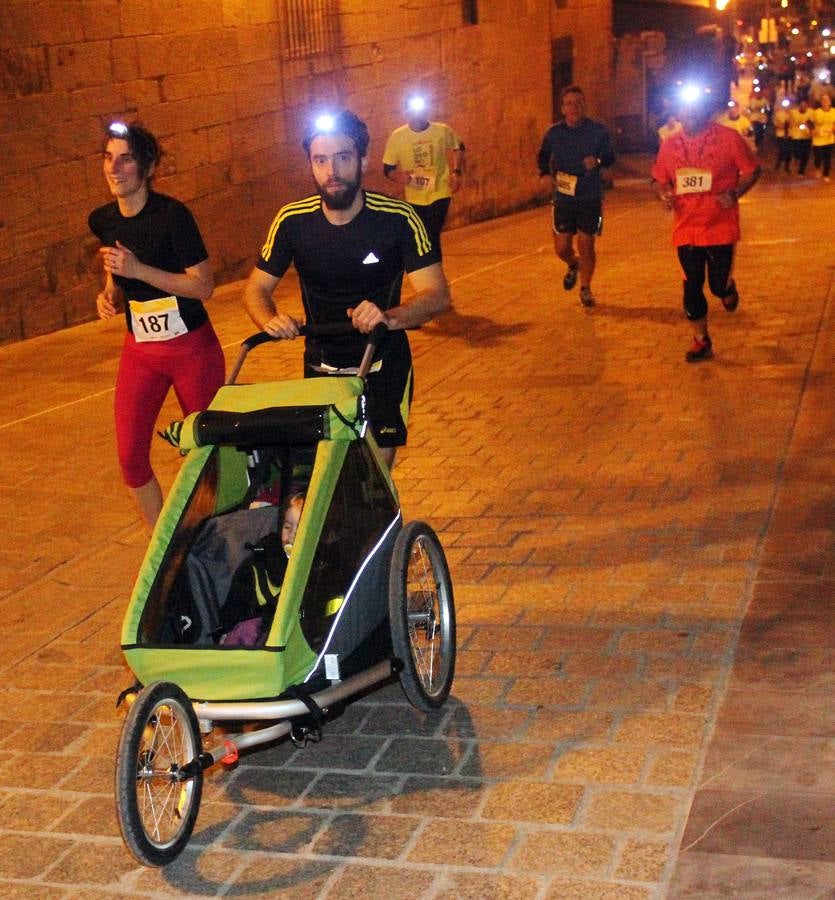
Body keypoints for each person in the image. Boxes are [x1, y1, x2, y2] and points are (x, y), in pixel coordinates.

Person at [242, 109, 451, 470]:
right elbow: (256, 289)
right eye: (320, 160)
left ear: (363, 161)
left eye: (342, 158)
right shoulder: (292, 220)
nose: (331, 171)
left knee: (373, 471)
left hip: (382, 363)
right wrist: (269, 320)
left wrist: (387, 315)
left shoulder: (398, 219)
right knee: (325, 472)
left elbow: (437, 295)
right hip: (322, 363)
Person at [89, 121, 225, 530]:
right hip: (141, 351)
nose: (115, 168)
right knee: (130, 455)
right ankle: (163, 544)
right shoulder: (102, 219)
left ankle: (219, 533)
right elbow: (117, 262)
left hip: (191, 350)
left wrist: (139, 270)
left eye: (126, 158)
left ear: (147, 168)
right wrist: (111, 290)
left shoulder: (173, 217)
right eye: (108, 158)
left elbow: (203, 286)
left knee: (208, 452)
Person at [651, 83, 761, 362]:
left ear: (705, 111)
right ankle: (701, 340)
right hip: (686, 227)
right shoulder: (670, 144)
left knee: (716, 286)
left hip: (720, 226)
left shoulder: (728, 138)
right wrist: (663, 194)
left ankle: (727, 288)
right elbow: (658, 179)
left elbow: (752, 170)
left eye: (694, 109)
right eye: (684, 110)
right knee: (691, 284)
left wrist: (735, 193)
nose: (689, 115)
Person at [537, 85, 616, 308]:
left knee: (586, 243)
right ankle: (573, 264)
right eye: (569, 103)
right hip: (563, 196)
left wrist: (598, 162)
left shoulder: (598, 131)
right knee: (562, 248)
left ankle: (585, 288)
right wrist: (544, 174)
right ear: (562, 108)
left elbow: (610, 157)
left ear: (585, 105)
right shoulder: (554, 133)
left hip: (590, 195)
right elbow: (543, 156)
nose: (574, 107)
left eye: (579, 103)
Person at [382, 96, 465, 256]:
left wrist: (456, 172)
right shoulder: (397, 136)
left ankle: (435, 275)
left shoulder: (441, 131)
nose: (417, 115)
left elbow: (459, 146)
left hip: (440, 191)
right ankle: (433, 273)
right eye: (412, 111)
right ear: (406, 112)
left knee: (431, 234)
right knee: (423, 237)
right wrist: (399, 177)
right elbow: (388, 169)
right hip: (414, 195)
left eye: (420, 110)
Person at [788, 98, 815, 176]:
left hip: (807, 136)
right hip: (796, 136)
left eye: (805, 105)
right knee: (797, 153)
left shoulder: (811, 112)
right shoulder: (793, 113)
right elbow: (790, 123)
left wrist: (808, 125)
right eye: (802, 105)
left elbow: (812, 123)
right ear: (799, 106)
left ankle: (801, 171)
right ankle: (795, 160)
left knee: (806, 154)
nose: (803, 107)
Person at [811, 94, 834, 183]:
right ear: (821, 102)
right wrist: (812, 130)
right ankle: (817, 168)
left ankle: (826, 175)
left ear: (830, 102)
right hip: (818, 138)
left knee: (828, 158)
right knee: (818, 157)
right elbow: (810, 122)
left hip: (829, 138)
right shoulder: (817, 112)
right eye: (823, 100)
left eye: (827, 100)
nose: (825, 102)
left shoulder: (833, 112)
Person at [773, 98, 792, 172]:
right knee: (781, 150)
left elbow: (793, 123)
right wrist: (781, 126)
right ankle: (778, 164)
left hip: (789, 135)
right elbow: (776, 123)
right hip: (780, 135)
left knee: (788, 151)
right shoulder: (778, 114)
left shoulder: (791, 113)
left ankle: (787, 166)